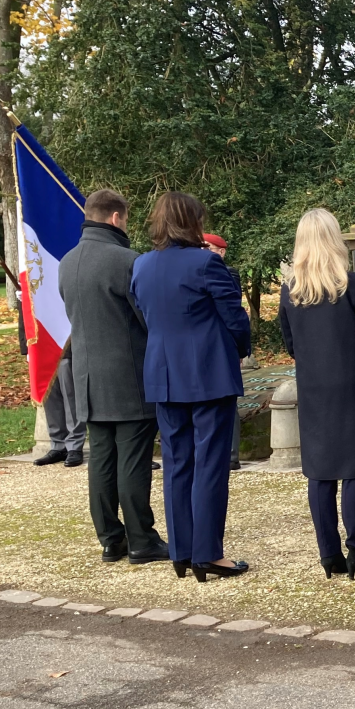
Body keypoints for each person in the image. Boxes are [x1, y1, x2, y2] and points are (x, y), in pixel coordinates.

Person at [131, 192, 253, 583]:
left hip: (164, 375)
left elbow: (147, 316)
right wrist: (237, 349)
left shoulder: (141, 266)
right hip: (207, 374)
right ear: (192, 222)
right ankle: (207, 554)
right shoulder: (205, 262)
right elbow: (234, 318)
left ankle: (182, 551)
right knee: (210, 465)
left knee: (177, 464)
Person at [278, 209, 355, 580]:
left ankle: (328, 552)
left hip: (314, 388)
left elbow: (290, 343)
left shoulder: (290, 291)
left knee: (321, 473)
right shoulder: (352, 284)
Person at [59, 188, 170, 567]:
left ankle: (110, 539)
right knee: (133, 462)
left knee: (102, 461)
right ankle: (141, 540)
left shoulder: (67, 261)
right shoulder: (128, 261)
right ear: (115, 218)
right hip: (128, 377)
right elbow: (149, 320)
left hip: (86, 375)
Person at [204, 233, 244, 471]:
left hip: (222, 344)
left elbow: (231, 310)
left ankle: (231, 453)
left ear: (221, 251)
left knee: (228, 399)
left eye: (208, 247)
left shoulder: (228, 274)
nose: (203, 251)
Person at [34, 348, 87, 467]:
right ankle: (58, 446)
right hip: (41, 351)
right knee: (49, 399)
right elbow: (25, 328)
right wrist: (27, 350)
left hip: (67, 349)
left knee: (71, 397)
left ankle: (74, 446)